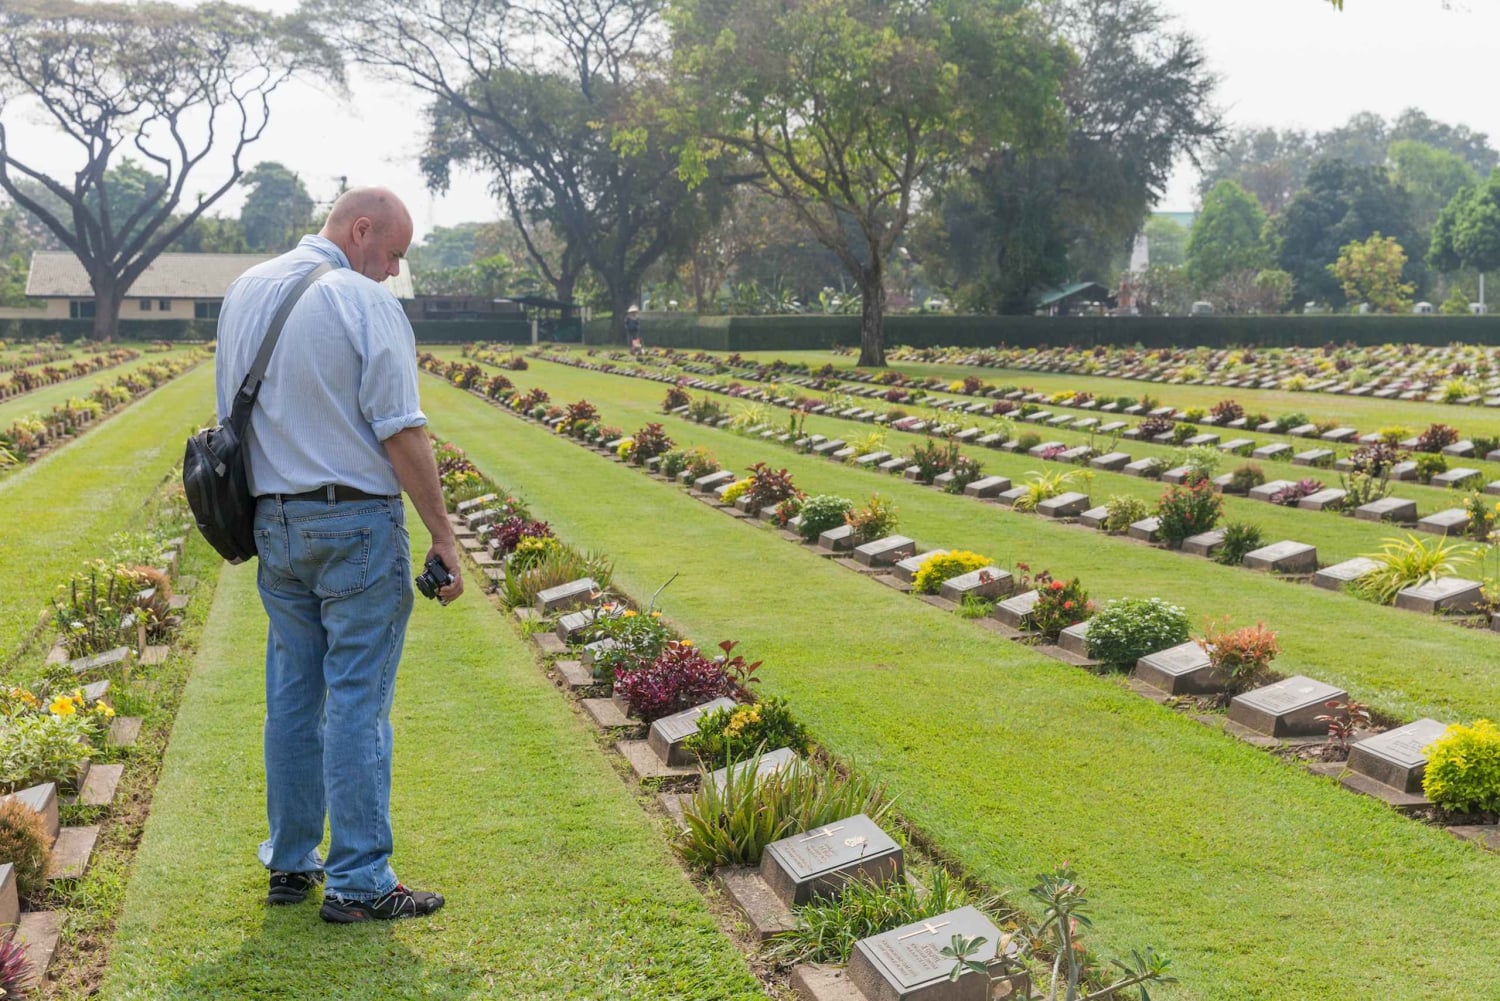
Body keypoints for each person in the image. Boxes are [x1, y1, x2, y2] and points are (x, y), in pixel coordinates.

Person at [214, 187, 464, 923]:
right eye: (393, 253)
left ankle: (292, 861)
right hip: (354, 521)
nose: (394, 271)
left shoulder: (245, 289)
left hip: (274, 521)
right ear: (361, 231)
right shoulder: (363, 300)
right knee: (358, 697)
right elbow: (400, 428)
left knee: (293, 694)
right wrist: (443, 534)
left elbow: (229, 414)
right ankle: (360, 878)